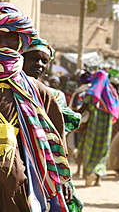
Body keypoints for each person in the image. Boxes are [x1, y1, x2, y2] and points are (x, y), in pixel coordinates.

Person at [0, 2, 71, 211]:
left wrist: (63, 182)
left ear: (20, 43)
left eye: (10, 36)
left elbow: (54, 146)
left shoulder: (38, 92)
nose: (2, 42)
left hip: (22, 195)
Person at [22, 37, 83, 211]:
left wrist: (63, 176)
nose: (39, 64)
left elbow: (58, 137)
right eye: (34, 58)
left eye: (44, 61)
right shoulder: (8, 90)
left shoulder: (54, 96)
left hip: (46, 163)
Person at [77, 70, 119, 186]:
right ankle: (98, 178)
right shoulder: (112, 91)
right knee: (103, 150)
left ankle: (90, 172)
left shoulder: (92, 91)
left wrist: (74, 115)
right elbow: (116, 109)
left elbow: (83, 107)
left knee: (89, 149)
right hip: (107, 128)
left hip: (92, 127)